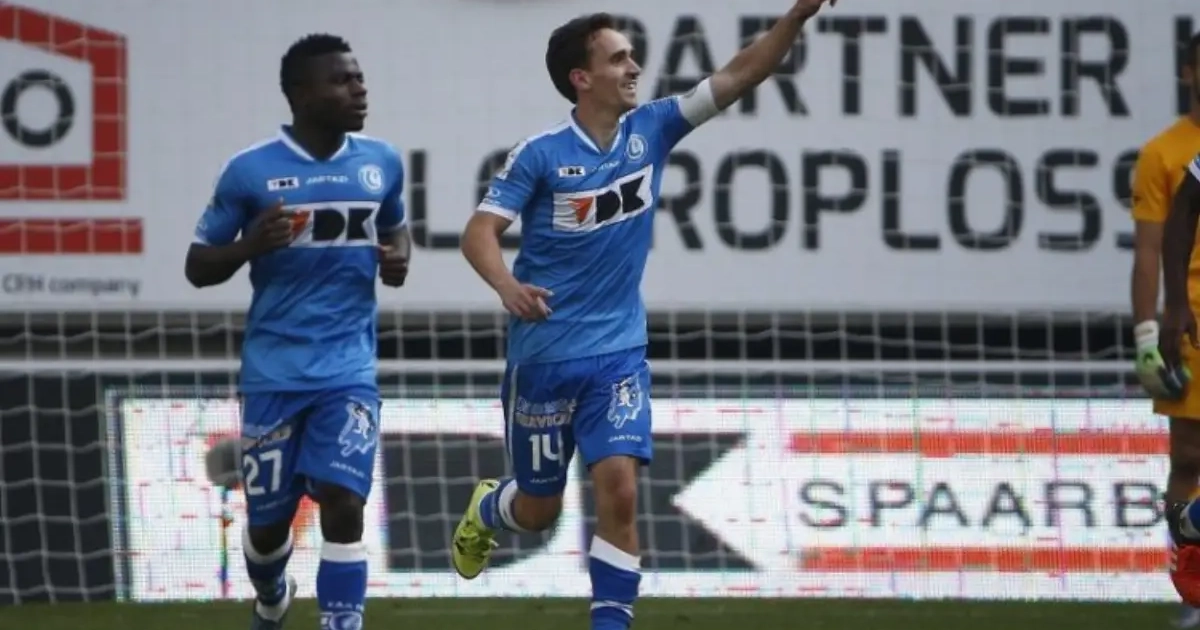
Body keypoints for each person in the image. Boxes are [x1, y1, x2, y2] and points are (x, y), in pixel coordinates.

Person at [452, 2, 836, 628]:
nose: (635, 67)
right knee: (540, 510)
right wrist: (507, 286)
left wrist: (798, 14)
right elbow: (479, 232)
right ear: (582, 78)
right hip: (544, 358)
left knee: (621, 490)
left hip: (618, 355)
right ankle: (490, 509)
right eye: (619, 59)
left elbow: (741, 74)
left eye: (632, 56)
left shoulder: (653, 128)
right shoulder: (541, 155)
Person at [185, 33, 410, 630]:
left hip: (349, 370)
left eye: (359, 77)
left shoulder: (381, 163)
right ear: (301, 94)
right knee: (268, 526)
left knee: (344, 501)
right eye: (342, 80)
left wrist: (398, 259)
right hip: (275, 372)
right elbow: (197, 266)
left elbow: (396, 227)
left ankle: (341, 622)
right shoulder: (251, 171)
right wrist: (250, 246)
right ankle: (271, 594)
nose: (359, 89)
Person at [1132, 31, 1200, 628]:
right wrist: (1147, 335)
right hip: (1194, 321)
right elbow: (1153, 248)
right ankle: (1192, 591)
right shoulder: (1165, 153)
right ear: (1188, 72)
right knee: (1188, 455)